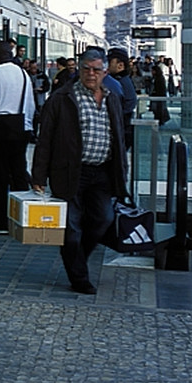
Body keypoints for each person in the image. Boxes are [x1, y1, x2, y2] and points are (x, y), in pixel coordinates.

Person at [31, 48, 128, 295]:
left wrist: (121, 170)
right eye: (86, 69)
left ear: (105, 72)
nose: (91, 74)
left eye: (96, 70)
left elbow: (118, 135)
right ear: (79, 70)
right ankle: (79, 277)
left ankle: (76, 259)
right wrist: (39, 176)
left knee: (104, 219)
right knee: (71, 228)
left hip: (103, 171)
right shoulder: (62, 98)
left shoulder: (111, 97)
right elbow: (46, 139)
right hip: (70, 171)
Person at [0, 41, 35, 233]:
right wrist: (27, 128)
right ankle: (21, 218)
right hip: (20, 128)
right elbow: (30, 105)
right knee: (19, 173)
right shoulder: (23, 74)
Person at [107, 48, 137, 148]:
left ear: (120, 65)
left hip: (120, 130)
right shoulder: (124, 80)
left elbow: (125, 107)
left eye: (110, 61)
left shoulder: (119, 83)